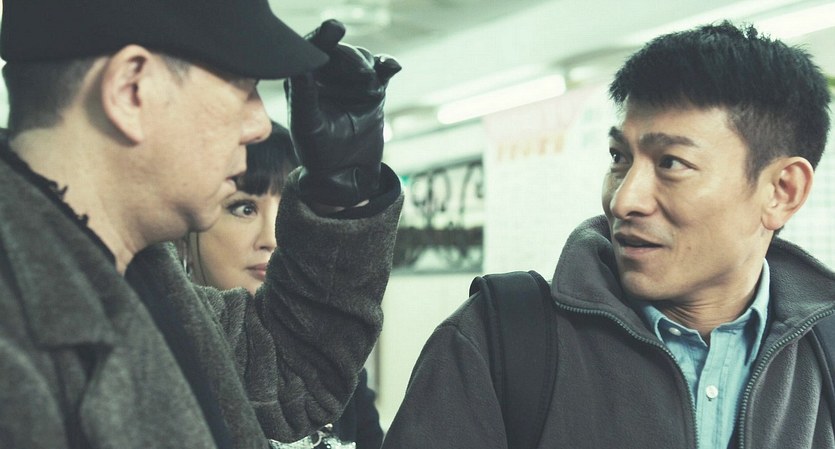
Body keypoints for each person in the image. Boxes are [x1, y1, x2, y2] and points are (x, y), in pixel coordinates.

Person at [382, 21, 833, 449]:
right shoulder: (496, 339)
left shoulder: (825, 354)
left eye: (671, 163)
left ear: (782, 191)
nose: (623, 200)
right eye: (619, 157)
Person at [0, 0, 403, 447]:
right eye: (242, 85)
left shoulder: (144, 280)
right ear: (132, 91)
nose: (259, 124)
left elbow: (288, 377)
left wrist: (339, 195)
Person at [180, 122, 385, 449]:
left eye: (292, 211)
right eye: (244, 208)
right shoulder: (169, 365)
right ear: (186, 236)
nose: (273, 237)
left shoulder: (331, 363)